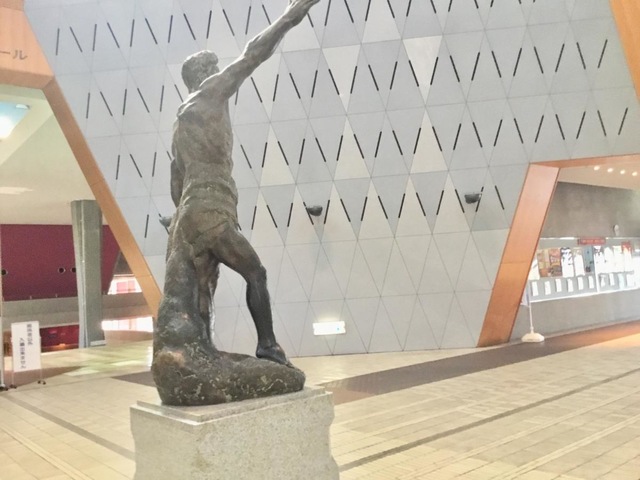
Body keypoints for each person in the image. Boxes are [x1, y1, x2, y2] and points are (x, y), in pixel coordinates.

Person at [158, 0, 320, 374]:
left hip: (192, 213)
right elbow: (252, 55)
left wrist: (189, 220)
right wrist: (290, 16)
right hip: (210, 205)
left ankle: (201, 355)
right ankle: (268, 346)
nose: (220, 72)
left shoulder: (180, 125)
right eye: (214, 68)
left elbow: (175, 183)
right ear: (203, 75)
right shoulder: (208, 94)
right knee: (255, 272)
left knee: (203, 292)